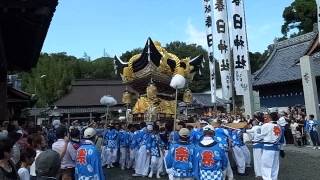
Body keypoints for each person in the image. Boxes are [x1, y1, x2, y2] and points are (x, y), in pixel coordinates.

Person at [257, 112, 284, 180]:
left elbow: (259, 136)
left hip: (268, 148)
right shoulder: (279, 126)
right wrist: (282, 149)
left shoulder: (266, 125)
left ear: (270, 117)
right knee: (274, 167)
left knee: (266, 167)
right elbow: (282, 140)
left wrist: (256, 131)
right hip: (276, 148)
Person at [246, 114, 263, 179]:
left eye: (253, 120)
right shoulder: (262, 126)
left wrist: (245, 130)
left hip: (256, 145)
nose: (252, 122)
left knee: (257, 160)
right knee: (261, 159)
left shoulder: (255, 127)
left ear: (256, 121)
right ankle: (262, 172)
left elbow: (250, 136)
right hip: (262, 145)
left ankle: (258, 174)